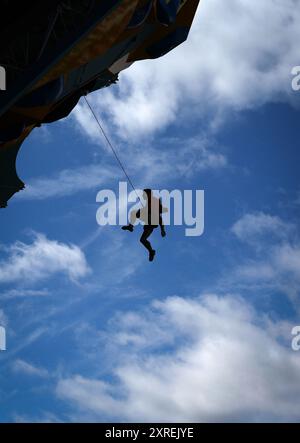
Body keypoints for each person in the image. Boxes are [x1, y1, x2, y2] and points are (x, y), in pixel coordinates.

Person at [122, 189, 167, 261]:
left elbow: (159, 218)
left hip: (152, 223)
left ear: (148, 194)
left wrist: (162, 230)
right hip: (148, 220)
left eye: (144, 194)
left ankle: (151, 251)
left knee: (142, 239)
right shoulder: (147, 202)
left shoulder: (154, 202)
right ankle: (130, 226)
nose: (142, 195)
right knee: (135, 213)